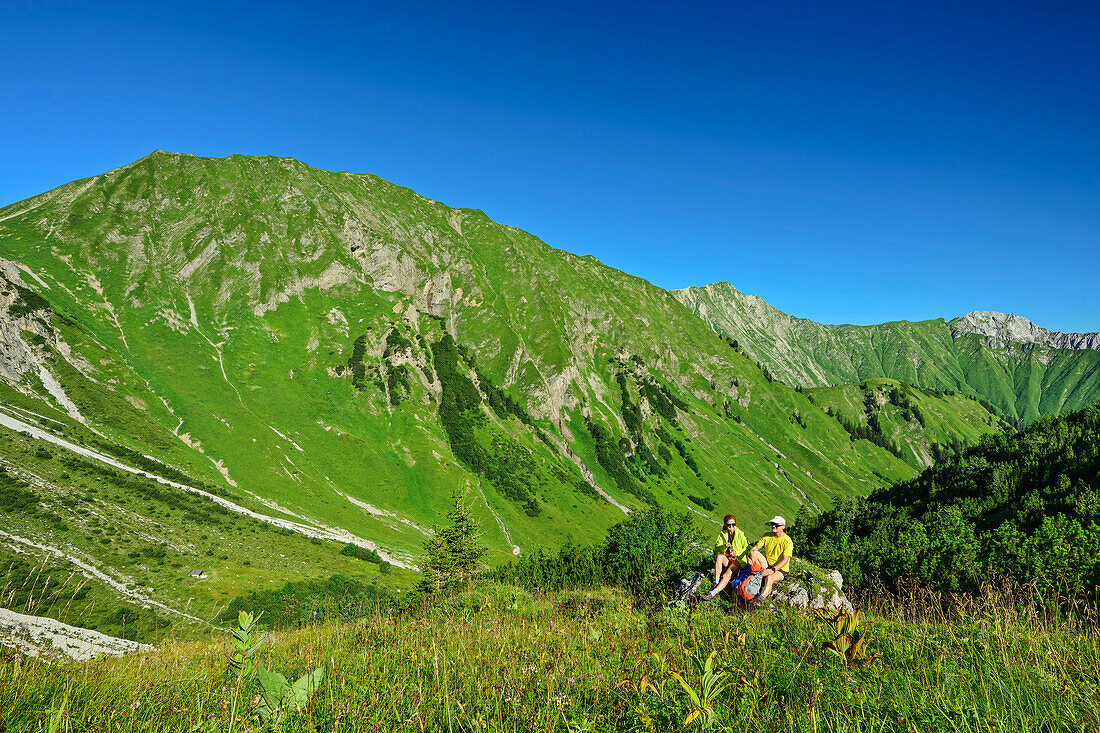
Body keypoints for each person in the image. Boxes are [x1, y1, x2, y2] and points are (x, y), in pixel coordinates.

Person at [701, 515, 747, 600]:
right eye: (729, 525)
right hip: (729, 558)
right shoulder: (723, 533)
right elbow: (717, 547)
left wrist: (737, 553)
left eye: (733, 524)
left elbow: (746, 548)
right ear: (725, 525)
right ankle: (716, 582)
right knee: (719, 557)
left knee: (726, 576)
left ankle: (712, 593)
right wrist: (724, 546)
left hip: (738, 560)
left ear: (736, 524)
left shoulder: (740, 534)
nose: (731, 527)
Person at [750, 515, 793, 601]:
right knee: (754, 553)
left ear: (783, 527)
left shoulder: (787, 541)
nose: (773, 526)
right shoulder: (767, 536)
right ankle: (755, 574)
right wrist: (749, 557)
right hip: (768, 564)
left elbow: (785, 560)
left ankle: (760, 598)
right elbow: (755, 549)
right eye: (773, 524)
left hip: (781, 569)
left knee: (769, 577)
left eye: (776, 525)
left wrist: (773, 570)